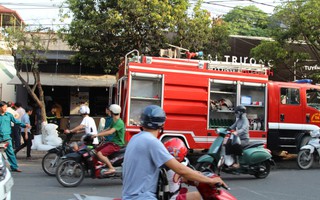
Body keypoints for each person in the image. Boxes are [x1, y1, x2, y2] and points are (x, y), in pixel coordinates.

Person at [122, 105, 227, 199]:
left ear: (142, 122)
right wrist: (211, 181)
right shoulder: (152, 142)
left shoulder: (135, 138)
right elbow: (180, 169)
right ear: (162, 125)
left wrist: (197, 174)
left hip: (130, 195)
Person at [92, 104, 125, 175]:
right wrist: (99, 133)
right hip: (112, 142)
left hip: (117, 144)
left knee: (100, 154)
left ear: (112, 112)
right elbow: (108, 128)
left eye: (110, 111)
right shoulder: (114, 120)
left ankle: (111, 168)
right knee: (95, 150)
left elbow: (110, 132)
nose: (108, 112)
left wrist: (98, 135)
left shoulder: (119, 122)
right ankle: (99, 166)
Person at [0, 101, 31, 172]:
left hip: (7, 137)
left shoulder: (9, 115)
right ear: (0, 107)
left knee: (10, 152)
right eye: (3, 107)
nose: (5, 108)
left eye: (6, 107)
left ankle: (14, 167)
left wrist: (25, 125)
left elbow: (16, 121)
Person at [228, 104, 250, 169]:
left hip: (244, 140)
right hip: (239, 138)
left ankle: (238, 163)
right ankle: (230, 161)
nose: (236, 114)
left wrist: (236, 132)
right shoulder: (239, 119)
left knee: (235, 146)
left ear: (241, 112)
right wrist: (226, 129)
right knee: (228, 144)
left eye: (236, 112)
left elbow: (243, 129)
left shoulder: (245, 120)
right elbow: (233, 125)